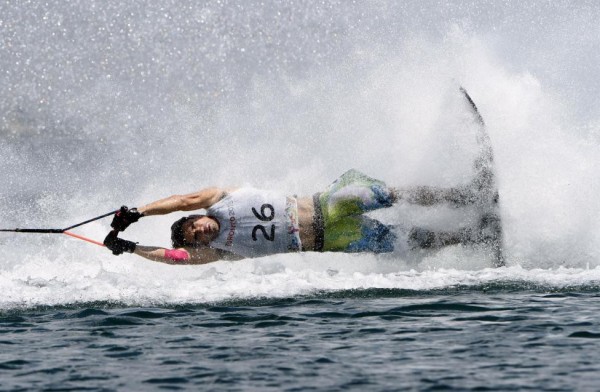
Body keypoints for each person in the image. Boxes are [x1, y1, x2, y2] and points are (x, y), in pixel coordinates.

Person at [103, 169, 503, 265]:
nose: (199, 233)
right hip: (333, 240)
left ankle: (468, 194)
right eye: (196, 238)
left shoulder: (217, 201)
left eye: (193, 227)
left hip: (328, 204)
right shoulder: (222, 251)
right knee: (404, 241)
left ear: (194, 218)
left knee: (386, 193)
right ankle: (474, 236)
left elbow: (179, 198)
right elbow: (175, 260)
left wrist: (137, 212)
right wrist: (131, 247)